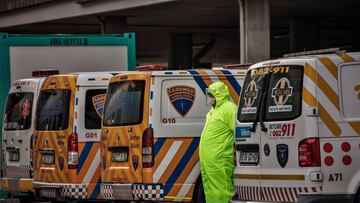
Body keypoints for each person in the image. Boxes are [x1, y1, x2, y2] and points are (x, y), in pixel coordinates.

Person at [199, 81, 237, 203]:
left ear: (219, 94)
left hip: (220, 160)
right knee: (210, 189)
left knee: (222, 189)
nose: (209, 98)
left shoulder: (229, 108)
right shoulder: (212, 111)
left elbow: (238, 132)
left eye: (211, 95)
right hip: (210, 160)